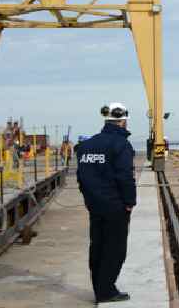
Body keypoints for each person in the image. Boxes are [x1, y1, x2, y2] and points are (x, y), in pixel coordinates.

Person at [76, 102, 136, 304]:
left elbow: (81, 177)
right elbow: (125, 177)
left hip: (94, 205)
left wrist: (89, 198)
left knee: (98, 246)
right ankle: (107, 291)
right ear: (123, 121)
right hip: (115, 206)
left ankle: (99, 288)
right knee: (115, 249)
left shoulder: (86, 146)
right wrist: (129, 202)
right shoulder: (121, 145)